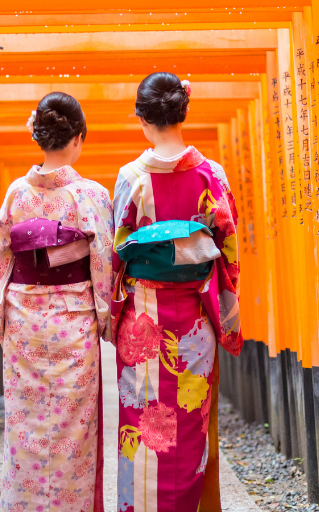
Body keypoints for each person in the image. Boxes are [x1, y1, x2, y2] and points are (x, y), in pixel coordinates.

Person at [111, 72, 242, 512]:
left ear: (141, 118)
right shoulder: (212, 175)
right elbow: (228, 252)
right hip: (192, 325)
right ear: (184, 111)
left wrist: (112, 316)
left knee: (142, 428)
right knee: (187, 428)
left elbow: (118, 254)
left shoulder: (131, 178)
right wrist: (224, 311)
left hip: (143, 323)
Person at [0, 92, 113, 512]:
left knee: (24, 425)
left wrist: (1, 315)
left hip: (24, 319)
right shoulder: (92, 195)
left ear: (39, 137)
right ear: (78, 138)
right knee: (71, 430)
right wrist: (104, 317)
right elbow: (102, 265)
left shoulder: (15, 195)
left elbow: (2, 260)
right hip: (72, 322)